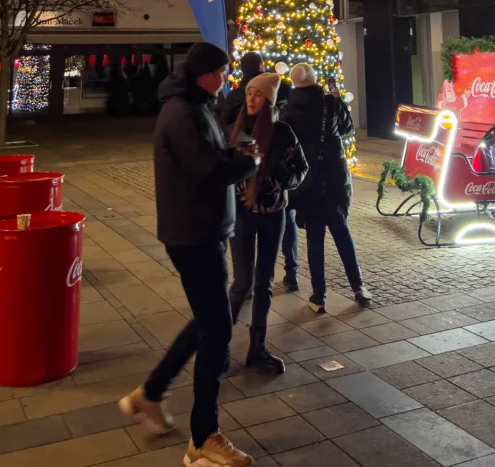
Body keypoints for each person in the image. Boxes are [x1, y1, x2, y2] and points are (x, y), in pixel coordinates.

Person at [119, 42, 259, 467]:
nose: (226, 79)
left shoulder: (195, 106)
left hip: (201, 230)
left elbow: (210, 157)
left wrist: (236, 155)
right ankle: (203, 438)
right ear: (205, 74)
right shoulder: (183, 112)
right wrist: (248, 163)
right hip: (194, 234)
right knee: (217, 331)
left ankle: (150, 393)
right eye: (222, 71)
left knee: (207, 322)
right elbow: (208, 169)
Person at [228, 72, 308, 374]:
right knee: (242, 283)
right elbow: (225, 170)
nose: (251, 98)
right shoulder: (238, 130)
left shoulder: (282, 131)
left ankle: (257, 348)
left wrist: (281, 178)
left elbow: (301, 168)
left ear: (269, 99)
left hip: (274, 214)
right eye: (249, 92)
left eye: (258, 94)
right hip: (242, 213)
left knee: (264, 282)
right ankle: (218, 346)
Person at [282, 62, 372, 313]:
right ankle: (358, 287)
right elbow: (347, 128)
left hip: (307, 181)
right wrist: (337, 97)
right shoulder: (329, 103)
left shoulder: (287, 110)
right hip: (333, 176)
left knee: (314, 237)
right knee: (341, 230)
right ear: (314, 79)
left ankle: (319, 297)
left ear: (294, 82)